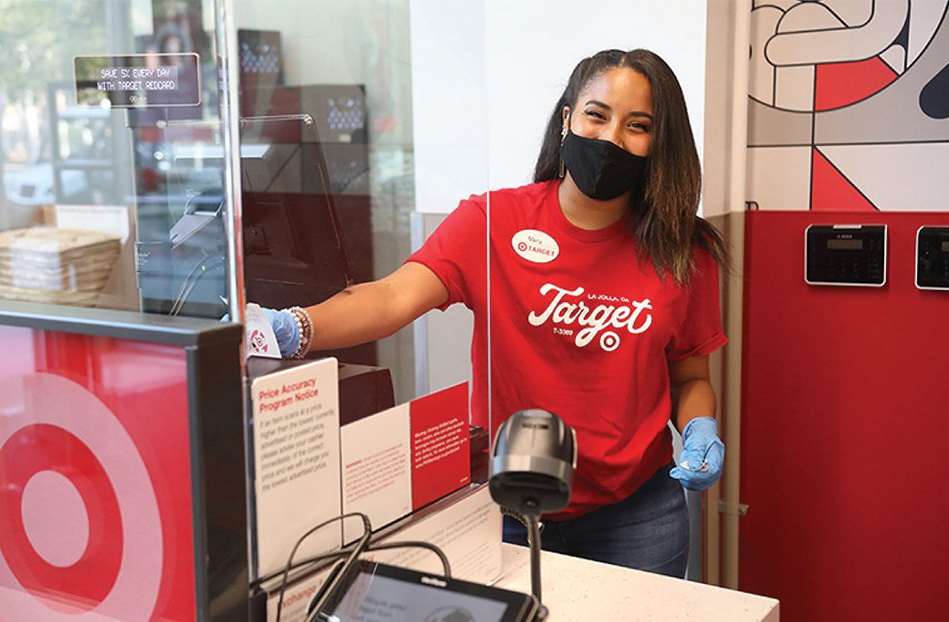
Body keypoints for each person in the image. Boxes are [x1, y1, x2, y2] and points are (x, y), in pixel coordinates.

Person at [261, 48, 727, 579]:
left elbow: (690, 376)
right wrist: (290, 329)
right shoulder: (492, 222)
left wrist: (700, 428)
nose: (611, 138)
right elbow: (392, 299)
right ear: (567, 119)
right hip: (507, 504)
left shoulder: (682, 250)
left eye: (637, 126)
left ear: (657, 144)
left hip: (637, 516)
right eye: (597, 115)